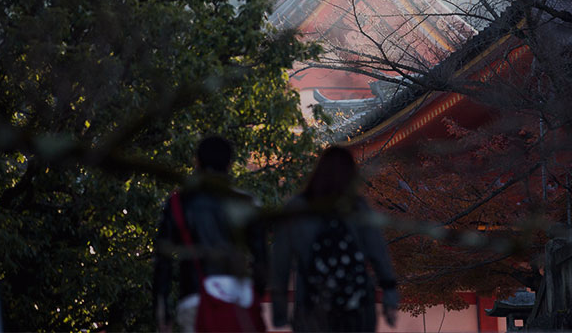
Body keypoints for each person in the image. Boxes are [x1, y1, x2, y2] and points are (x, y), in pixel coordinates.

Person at [271, 146, 398, 332]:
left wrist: (279, 311)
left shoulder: (297, 208)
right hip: (358, 307)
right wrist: (389, 293)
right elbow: (379, 254)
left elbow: (280, 263)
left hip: (312, 305)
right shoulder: (358, 207)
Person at [153, 136, 267, 332]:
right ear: (230, 164)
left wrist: (162, 309)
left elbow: (163, 260)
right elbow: (262, 258)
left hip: (194, 296)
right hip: (238, 299)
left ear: (196, 161)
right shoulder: (246, 203)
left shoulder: (178, 203)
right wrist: (255, 292)